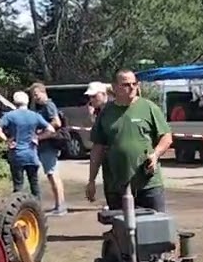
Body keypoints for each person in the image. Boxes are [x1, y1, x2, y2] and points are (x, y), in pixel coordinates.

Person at [85, 69, 173, 211]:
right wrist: (91, 180)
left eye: (134, 83)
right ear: (114, 87)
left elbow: (166, 137)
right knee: (121, 227)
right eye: (125, 84)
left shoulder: (149, 108)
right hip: (116, 184)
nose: (132, 87)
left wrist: (155, 154)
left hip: (148, 183)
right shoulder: (106, 113)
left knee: (155, 226)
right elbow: (98, 148)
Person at [0, 91, 55, 199]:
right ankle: (37, 209)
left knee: (18, 186)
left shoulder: (10, 116)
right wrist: (38, 137)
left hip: (16, 154)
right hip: (31, 155)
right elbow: (51, 129)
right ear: (27, 102)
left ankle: (19, 209)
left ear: (14, 102)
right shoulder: (35, 115)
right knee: (34, 185)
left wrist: (7, 140)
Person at [29, 82, 68, 216]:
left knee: (52, 174)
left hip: (49, 144)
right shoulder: (38, 106)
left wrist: (41, 133)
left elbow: (56, 122)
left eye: (36, 94)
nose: (35, 97)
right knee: (51, 174)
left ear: (43, 92)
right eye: (33, 95)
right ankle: (59, 205)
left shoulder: (48, 105)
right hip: (43, 144)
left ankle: (61, 206)